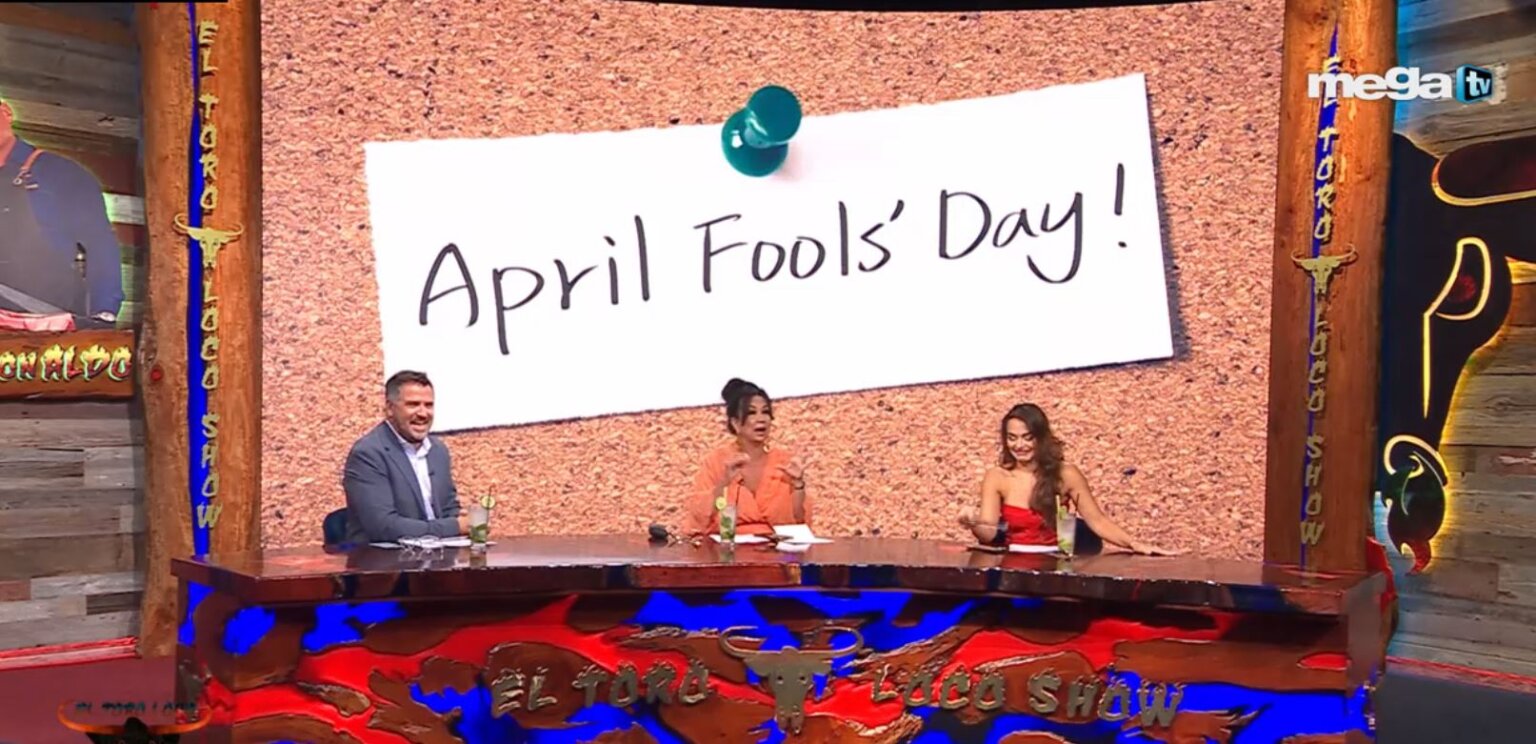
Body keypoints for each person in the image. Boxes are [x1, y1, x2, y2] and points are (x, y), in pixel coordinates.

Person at [958, 403, 1175, 555]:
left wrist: (1134, 544)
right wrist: (971, 522)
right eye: (1012, 438)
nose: (1019, 445)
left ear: (1041, 438)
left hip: (1055, 563)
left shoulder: (1066, 474)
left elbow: (1097, 521)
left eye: (1027, 438)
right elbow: (988, 533)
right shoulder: (996, 477)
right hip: (1013, 564)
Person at [0, 96, 124, 320]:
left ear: (6, 112)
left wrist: (104, 312)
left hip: (47, 321)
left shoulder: (61, 172)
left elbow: (99, 242)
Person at [342, 370, 466, 543]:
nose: (423, 413)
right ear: (389, 408)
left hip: (437, 554)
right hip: (382, 557)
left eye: (429, 405)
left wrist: (468, 522)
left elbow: (449, 508)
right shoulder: (368, 454)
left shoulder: (438, 451)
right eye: (413, 404)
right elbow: (383, 526)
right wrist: (455, 527)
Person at [683, 378, 812, 536]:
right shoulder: (717, 462)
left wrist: (798, 485)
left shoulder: (784, 462)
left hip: (776, 546)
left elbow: (799, 523)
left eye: (765, 412)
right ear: (736, 423)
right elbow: (699, 519)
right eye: (752, 413)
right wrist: (724, 483)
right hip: (728, 546)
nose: (761, 419)